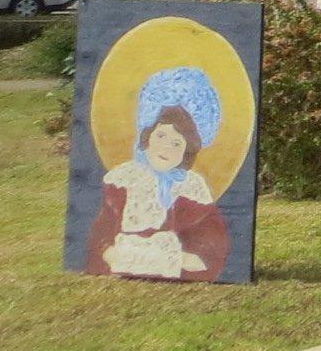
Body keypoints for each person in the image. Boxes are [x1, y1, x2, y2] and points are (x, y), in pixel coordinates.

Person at [84, 67, 231, 282]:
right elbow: (101, 232)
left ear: (187, 151)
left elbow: (210, 242)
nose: (166, 149)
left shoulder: (192, 189)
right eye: (160, 136)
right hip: (121, 260)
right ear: (147, 137)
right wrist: (110, 252)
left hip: (176, 263)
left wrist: (180, 259)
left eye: (176, 143)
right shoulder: (124, 180)